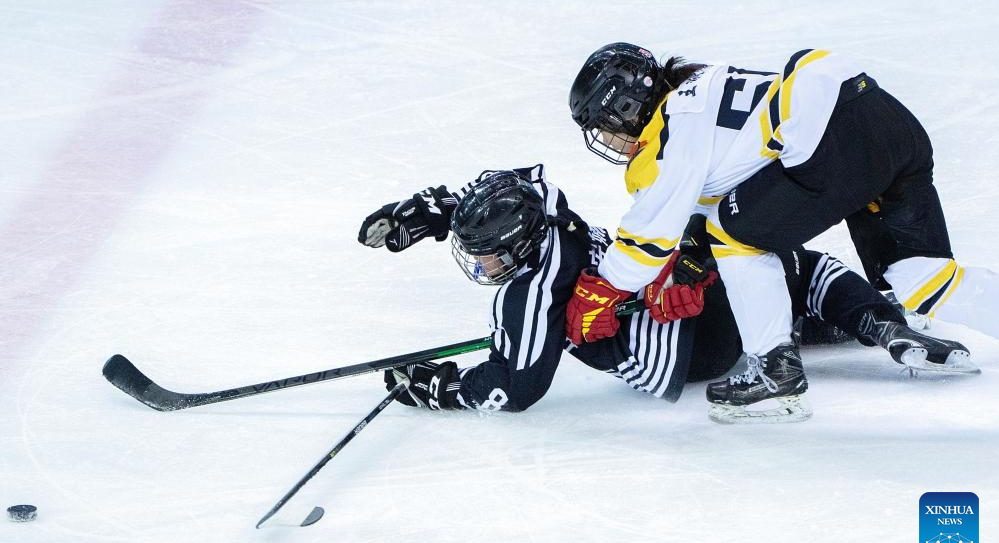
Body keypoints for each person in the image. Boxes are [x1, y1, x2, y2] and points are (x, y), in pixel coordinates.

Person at [565, 44, 996, 419]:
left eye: (604, 125)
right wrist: (689, 268)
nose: (608, 138)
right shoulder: (702, 87)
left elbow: (648, 241)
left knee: (733, 236)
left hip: (828, 140)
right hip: (880, 114)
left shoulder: (666, 134)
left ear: (626, 106)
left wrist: (602, 289)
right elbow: (727, 195)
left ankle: (776, 374)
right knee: (925, 279)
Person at [357, 165, 975, 422]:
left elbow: (513, 387)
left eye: (490, 254)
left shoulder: (527, 298)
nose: (483, 265)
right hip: (685, 304)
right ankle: (878, 322)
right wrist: (435, 214)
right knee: (792, 268)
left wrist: (441, 389)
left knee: (781, 282)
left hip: (688, 355)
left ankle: (855, 324)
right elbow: (507, 186)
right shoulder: (546, 209)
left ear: (519, 245)